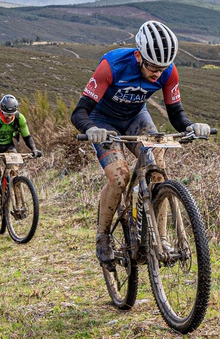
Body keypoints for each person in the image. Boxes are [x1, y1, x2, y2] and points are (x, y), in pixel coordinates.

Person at [70, 20, 210, 264]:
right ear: (138, 55)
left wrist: (190, 127)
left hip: (136, 117)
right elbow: (79, 112)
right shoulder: (112, 66)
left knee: (158, 171)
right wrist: (91, 129)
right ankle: (103, 235)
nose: (158, 72)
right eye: (153, 66)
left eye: (162, 67)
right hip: (103, 121)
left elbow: (176, 113)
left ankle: (161, 238)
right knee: (119, 177)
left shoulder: (168, 71)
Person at [0, 94, 42, 195]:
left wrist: (34, 149)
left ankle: (14, 199)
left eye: (12, 114)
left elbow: (27, 137)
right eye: (7, 114)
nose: (9, 117)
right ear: (2, 110)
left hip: (8, 146)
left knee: (14, 171)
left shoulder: (20, 118)